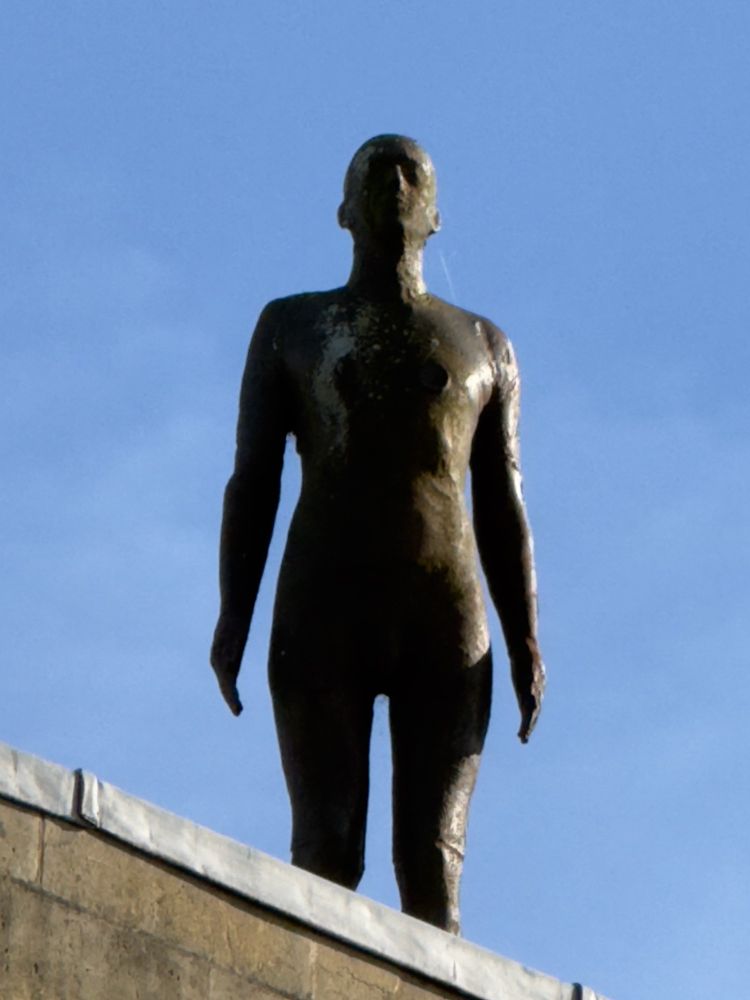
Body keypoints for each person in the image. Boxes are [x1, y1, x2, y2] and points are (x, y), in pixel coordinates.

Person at [210, 134, 545, 933]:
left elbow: (503, 506)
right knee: (325, 854)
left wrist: (526, 638)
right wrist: (234, 616)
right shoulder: (292, 328)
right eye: (374, 172)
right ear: (344, 211)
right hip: (324, 609)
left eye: (411, 174)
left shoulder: (485, 346)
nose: (393, 184)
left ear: (435, 214)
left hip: (445, 621)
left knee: (433, 871)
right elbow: (252, 481)